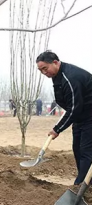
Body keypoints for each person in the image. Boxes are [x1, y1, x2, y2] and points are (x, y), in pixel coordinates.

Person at [36, 51, 92, 185]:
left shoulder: (71, 77)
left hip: (89, 116)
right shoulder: (57, 76)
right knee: (77, 148)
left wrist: (57, 129)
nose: (44, 72)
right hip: (81, 117)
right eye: (40, 70)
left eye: (45, 68)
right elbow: (70, 106)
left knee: (86, 151)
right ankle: (86, 182)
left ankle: (81, 185)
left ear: (55, 62)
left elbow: (74, 108)